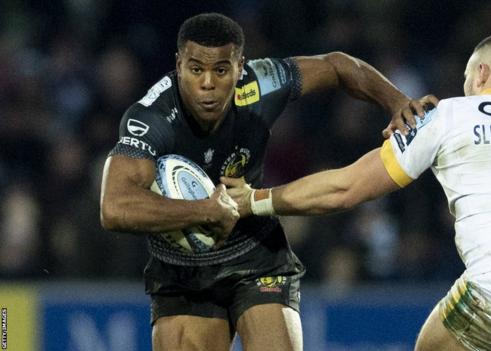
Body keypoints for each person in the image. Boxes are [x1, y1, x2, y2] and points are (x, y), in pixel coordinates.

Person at [223, 32, 491, 350]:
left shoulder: (451, 114)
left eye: (468, 79)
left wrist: (258, 199)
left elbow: (347, 189)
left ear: (481, 73)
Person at [99, 12, 431, 351]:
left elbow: (336, 65)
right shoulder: (151, 117)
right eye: (196, 69)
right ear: (178, 64)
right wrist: (204, 211)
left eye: (221, 70)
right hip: (181, 271)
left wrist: (396, 101)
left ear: (240, 67)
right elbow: (114, 207)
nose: (208, 83)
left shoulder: (262, 83)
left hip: (254, 253)